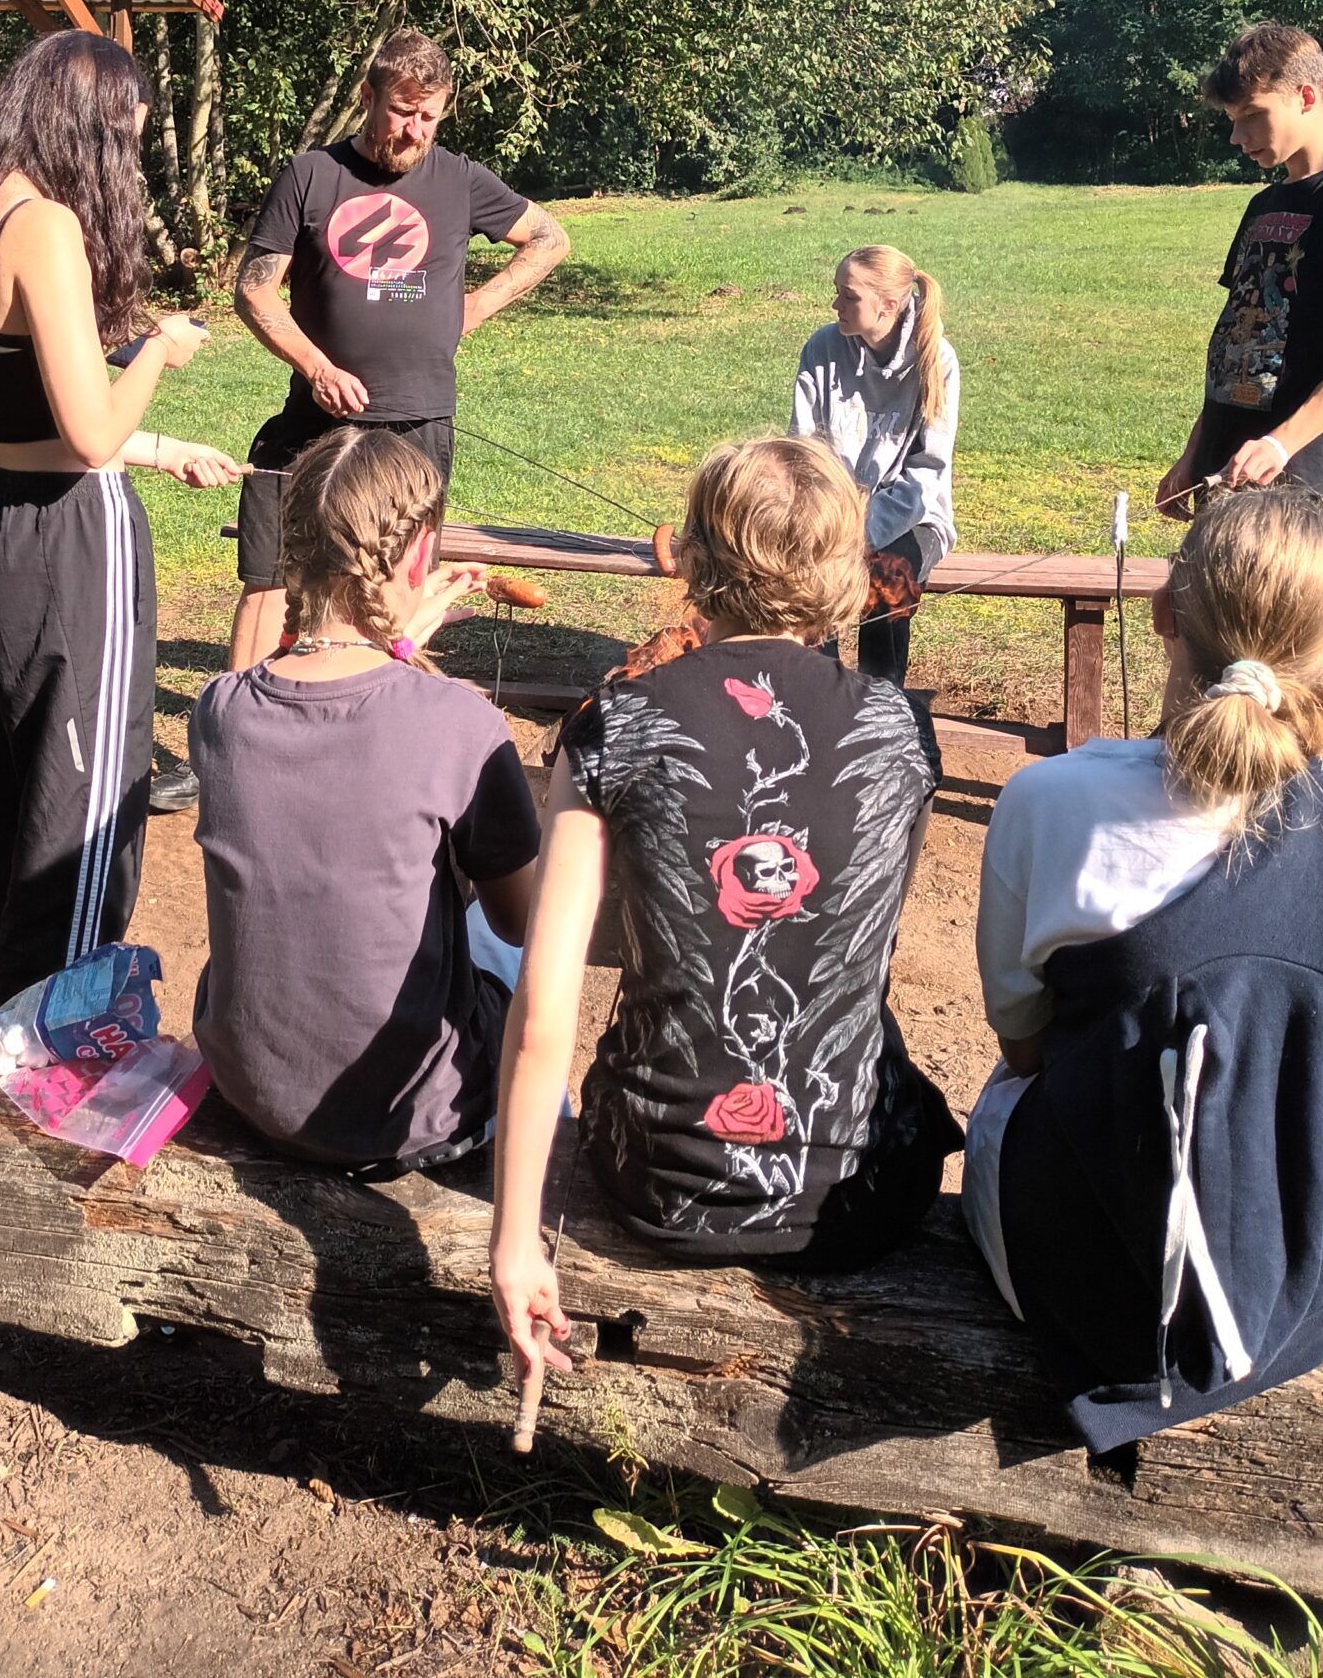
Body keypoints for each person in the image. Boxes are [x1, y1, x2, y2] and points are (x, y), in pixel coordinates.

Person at [962, 485, 1323, 1451]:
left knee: (999, 1099)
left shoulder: (1049, 804)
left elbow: (1024, 1050)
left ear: (1162, 614)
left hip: (1122, 1316)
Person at [490, 437, 959, 1396]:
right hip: (856, 1191)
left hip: (657, 1175)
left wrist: (513, 1239)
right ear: (843, 565)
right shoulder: (899, 729)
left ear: (695, 557)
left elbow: (544, 1011)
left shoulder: (612, 723)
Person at [0, 32, 241, 1013]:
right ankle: (45, 1035)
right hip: (64, 541)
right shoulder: (47, 226)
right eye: (123, 138)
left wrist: (162, 447)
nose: (127, 160)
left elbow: (30, 406)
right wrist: (161, 349)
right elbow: (91, 434)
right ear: (87, 127)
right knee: (79, 811)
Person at [191, 426, 540, 1169]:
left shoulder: (220, 709)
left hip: (254, 1093)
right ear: (421, 554)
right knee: (508, 962)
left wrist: (398, 652)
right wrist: (402, 659)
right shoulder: (460, 723)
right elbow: (520, 920)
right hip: (406, 1121)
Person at [227, 28, 569, 670]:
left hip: (418, 423)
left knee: (398, 583)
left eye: (428, 117)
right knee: (275, 573)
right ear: (368, 97)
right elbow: (254, 290)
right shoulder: (312, 175)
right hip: (316, 422)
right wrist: (317, 367)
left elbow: (550, 239)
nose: (414, 132)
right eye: (402, 112)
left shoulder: (459, 180)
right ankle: (239, 708)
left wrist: (473, 307)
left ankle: (382, 700)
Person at [1157, 24, 1323, 519]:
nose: (1237, 137)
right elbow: (1238, 343)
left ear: (1306, 97)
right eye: (1232, 120)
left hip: (1292, 476)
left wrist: (1280, 444)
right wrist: (1194, 454)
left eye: (1252, 115)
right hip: (1228, 465)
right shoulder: (1263, 205)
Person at [790, 245, 958, 684]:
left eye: (848, 296)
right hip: (831, 517)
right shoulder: (822, 348)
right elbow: (802, 452)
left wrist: (858, 533)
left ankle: (882, 703)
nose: (835, 305)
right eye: (836, 292)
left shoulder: (936, 360)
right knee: (804, 580)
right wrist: (828, 527)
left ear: (888, 305)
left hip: (912, 519)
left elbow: (925, 476)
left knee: (887, 583)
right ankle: (819, 696)